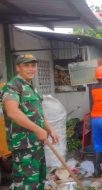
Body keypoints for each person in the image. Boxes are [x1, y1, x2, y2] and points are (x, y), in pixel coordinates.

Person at [0, 54, 59, 190]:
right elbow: (12, 112)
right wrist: (38, 130)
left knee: (38, 180)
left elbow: (37, 114)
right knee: (26, 183)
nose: (31, 69)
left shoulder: (31, 87)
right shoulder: (12, 87)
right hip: (23, 145)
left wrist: (50, 129)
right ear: (17, 68)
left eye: (33, 65)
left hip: (36, 143)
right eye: (26, 65)